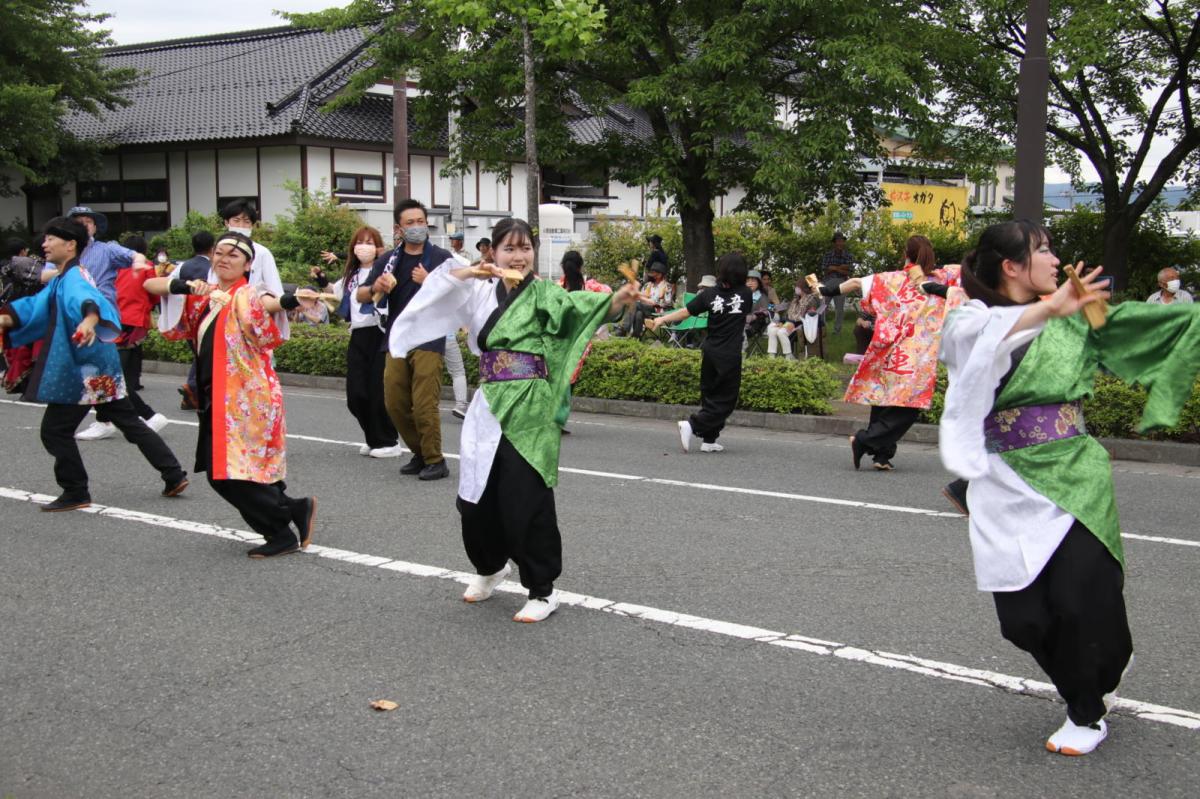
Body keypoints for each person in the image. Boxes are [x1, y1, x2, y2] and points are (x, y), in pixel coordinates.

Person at [939, 220, 1200, 756]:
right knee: (1023, 621)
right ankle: (1097, 670)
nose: (1055, 259)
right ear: (1011, 266)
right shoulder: (971, 318)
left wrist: (1096, 312)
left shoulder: (1069, 309)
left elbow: (1125, 345)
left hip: (1075, 474)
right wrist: (1050, 310)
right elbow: (981, 344)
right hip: (1003, 481)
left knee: (1083, 600)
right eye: (1042, 250)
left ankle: (1086, 708)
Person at [389, 218, 638, 622]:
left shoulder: (543, 294)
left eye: (525, 248)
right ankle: (490, 567)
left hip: (530, 406)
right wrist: (471, 269)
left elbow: (581, 309)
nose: (518, 256)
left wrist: (618, 300)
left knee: (525, 497)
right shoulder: (480, 291)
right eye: (509, 248)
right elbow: (436, 293)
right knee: (475, 498)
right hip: (487, 404)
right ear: (493, 252)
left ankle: (542, 590)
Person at [147, 231, 318, 558]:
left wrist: (292, 299)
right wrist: (184, 286)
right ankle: (294, 508)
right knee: (243, 468)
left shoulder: (247, 294)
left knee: (224, 474)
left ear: (248, 265)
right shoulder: (205, 294)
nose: (224, 259)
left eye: (234, 255)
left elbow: (268, 303)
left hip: (244, 399)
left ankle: (280, 528)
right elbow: (151, 286)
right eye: (220, 252)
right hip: (217, 395)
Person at [0, 217, 189, 511]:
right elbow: (34, 308)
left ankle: (75, 491)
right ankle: (173, 473)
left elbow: (89, 303)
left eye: (51, 239)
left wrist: (89, 322)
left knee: (55, 431)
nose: (44, 244)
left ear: (70, 244)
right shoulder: (67, 276)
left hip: (82, 369)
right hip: (97, 365)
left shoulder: (75, 278)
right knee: (127, 420)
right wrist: (5, 318)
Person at [823, 235, 963, 471]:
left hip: (889, 347)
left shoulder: (891, 279)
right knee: (907, 405)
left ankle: (881, 454)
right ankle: (867, 442)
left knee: (885, 398)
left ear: (905, 254)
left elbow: (856, 283)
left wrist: (827, 290)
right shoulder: (946, 276)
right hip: (917, 352)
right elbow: (969, 278)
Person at [356, 199, 451, 481]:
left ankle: (435, 460)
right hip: (397, 339)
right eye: (410, 223)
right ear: (399, 228)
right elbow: (361, 295)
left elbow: (460, 289)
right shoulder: (389, 261)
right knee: (394, 402)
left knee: (424, 404)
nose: (417, 227)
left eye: (421, 221)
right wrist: (377, 285)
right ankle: (420, 453)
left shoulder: (441, 257)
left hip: (429, 339)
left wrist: (431, 280)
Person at [647, 253, 753, 453]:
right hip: (729, 354)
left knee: (711, 394)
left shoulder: (709, 294)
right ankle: (692, 425)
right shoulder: (745, 294)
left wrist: (662, 320)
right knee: (727, 400)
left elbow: (686, 311)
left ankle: (709, 440)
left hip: (710, 350)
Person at [310, 226, 402, 457]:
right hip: (358, 333)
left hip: (380, 332)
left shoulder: (387, 270)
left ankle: (388, 441)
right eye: (360, 242)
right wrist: (321, 279)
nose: (364, 247)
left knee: (377, 392)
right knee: (356, 394)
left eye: (370, 242)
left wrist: (386, 257)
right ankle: (373, 437)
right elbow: (336, 292)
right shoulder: (351, 275)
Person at [107, 234, 169, 432]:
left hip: (116, 319)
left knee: (115, 375)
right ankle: (109, 418)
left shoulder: (115, 267)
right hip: (136, 319)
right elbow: (153, 293)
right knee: (125, 371)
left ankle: (144, 414)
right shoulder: (147, 266)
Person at [0, 237, 46, 393]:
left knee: (21, 350)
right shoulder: (31, 265)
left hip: (16, 309)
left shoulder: (14, 264)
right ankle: (28, 386)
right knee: (28, 351)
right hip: (28, 311)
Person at [177, 231, 215, 409]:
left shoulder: (184, 267)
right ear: (212, 248)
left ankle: (192, 390)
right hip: (207, 316)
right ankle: (194, 389)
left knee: (199, 355)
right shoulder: (212, 268)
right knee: (206, 357)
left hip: (188, 317)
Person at [444, 231, 472, 418]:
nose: (452, 242)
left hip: (426, 335)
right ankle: (461, 404)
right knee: (457, 370)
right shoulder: (456, 284)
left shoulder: (430, 281)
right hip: (447, 334)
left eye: (454, 240)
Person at [766, 281, 823, 358]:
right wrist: (781, 322)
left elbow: (807, 317)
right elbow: (784, 312)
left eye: (797, 286)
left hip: (800, 324)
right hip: (789, 322)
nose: (796, 289)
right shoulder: (795, 300)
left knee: (781, 332)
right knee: (772, 329)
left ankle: (789, 356)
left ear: (804, 288)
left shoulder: (811, 300)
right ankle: (771, 356)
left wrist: (785, 323)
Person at [622, 261, 673, 337]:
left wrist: (642, 298)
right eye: (652, 272)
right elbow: (641, 298)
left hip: (659, 311)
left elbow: (664, 302)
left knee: (636, 304)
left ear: (660, 274)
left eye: (654, 272)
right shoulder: (648, 285)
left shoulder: (666, 286)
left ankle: (623, 329)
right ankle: (636, 336)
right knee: (639, 313)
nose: (652, 275)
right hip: (645, 308)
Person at [819, 232, 854, 333]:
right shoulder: (828, 255)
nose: (840, 243)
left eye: (841, 241)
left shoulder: (848, 255)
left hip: (841, 283)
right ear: (834, 243)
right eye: (838, 241)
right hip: (829, 281)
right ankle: (821, 327)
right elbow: (825, 270)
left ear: (843, 242)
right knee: (823, 306)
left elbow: (849, 271)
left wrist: (834, 268)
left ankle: (837, 330)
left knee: (839, 308)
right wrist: (841, 268)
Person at [744, 269, 772, 342]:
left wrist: (755, 315)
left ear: (759, 283)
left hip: (753, 326)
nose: (750, 283)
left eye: (753, 281)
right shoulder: (741, 296)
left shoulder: (763, 297)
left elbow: (769, 311)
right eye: (747, 281)